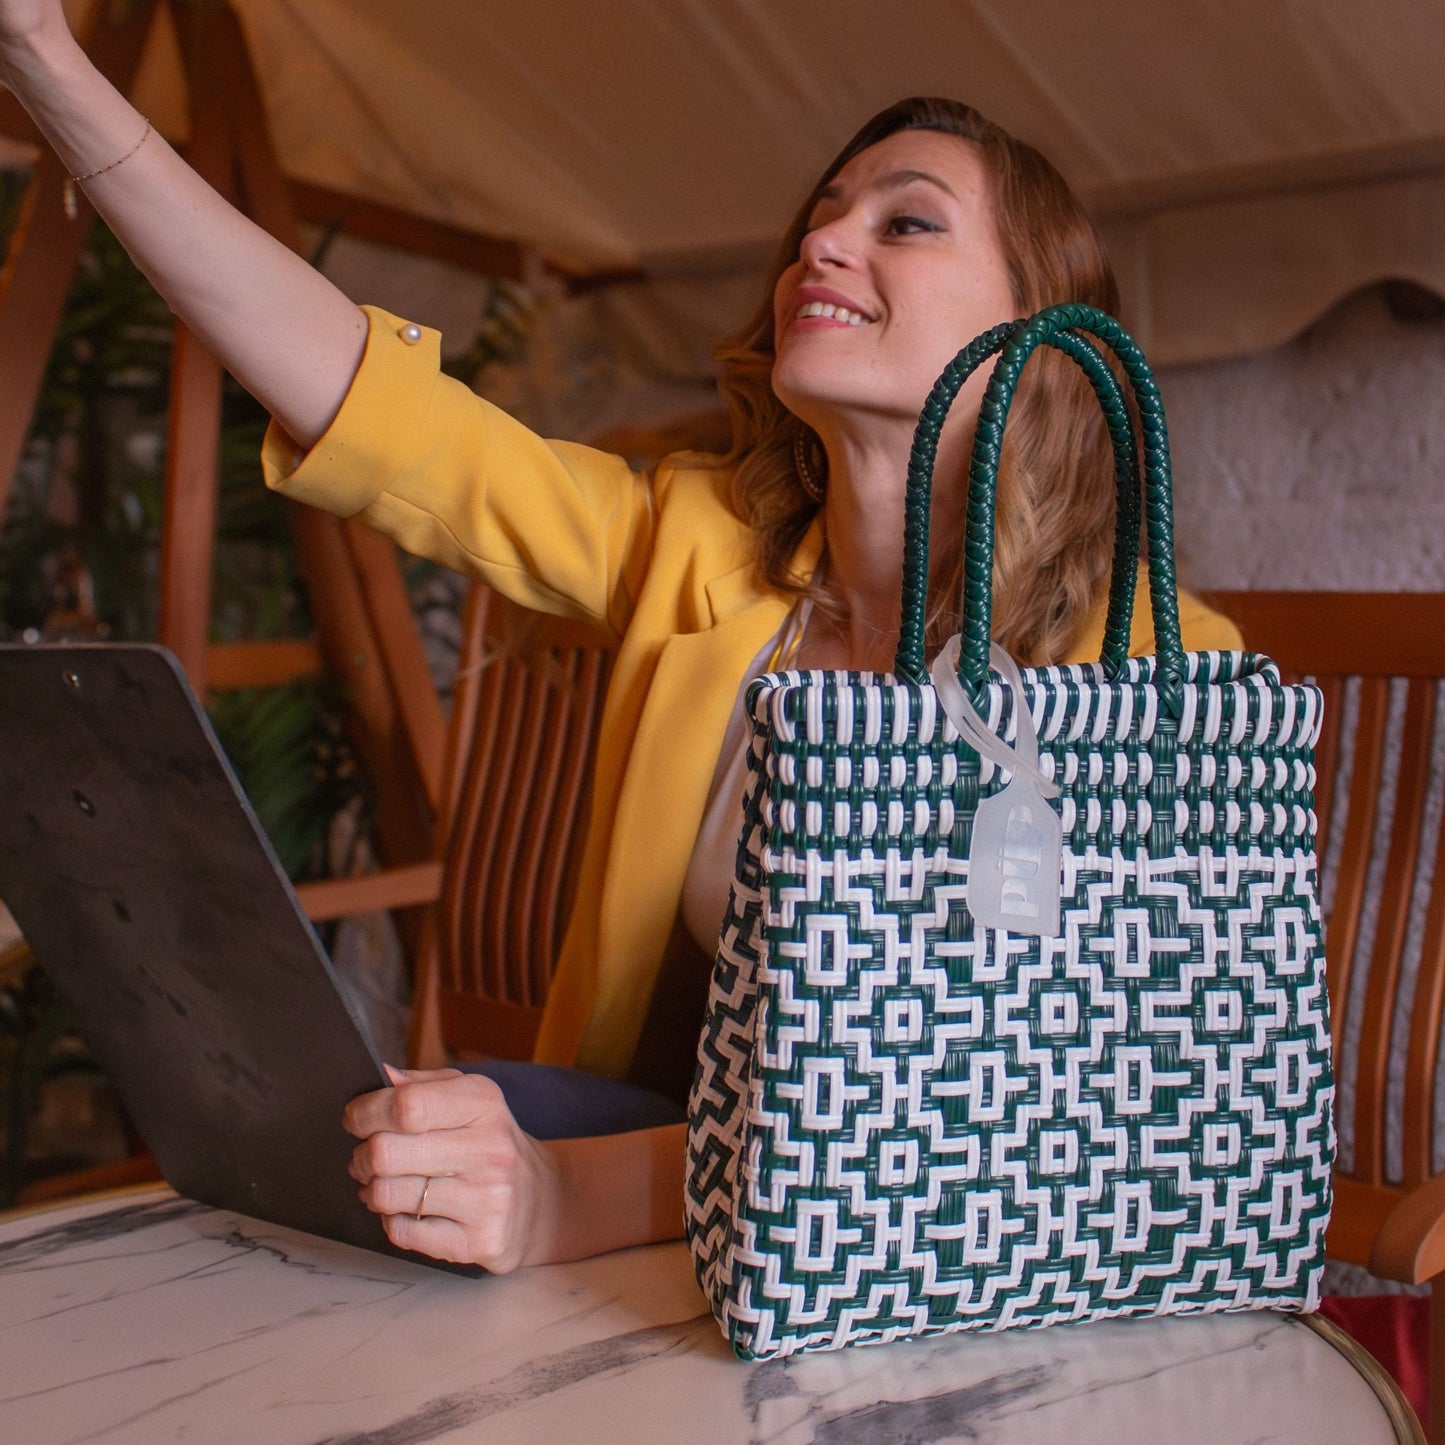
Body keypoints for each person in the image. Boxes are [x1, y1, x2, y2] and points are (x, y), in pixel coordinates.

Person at [0, 6, 1242, 1274]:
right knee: (321, 1175)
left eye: (904, 221)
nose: (819, 239)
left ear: (1045, 327)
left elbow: (982, 1124)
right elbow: (366, 403)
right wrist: (45, 56)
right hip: (679, 1190)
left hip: (926, 1260)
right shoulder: (695, 546)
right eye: (821, 212)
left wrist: (562, 1199)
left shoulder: (1147, 676)